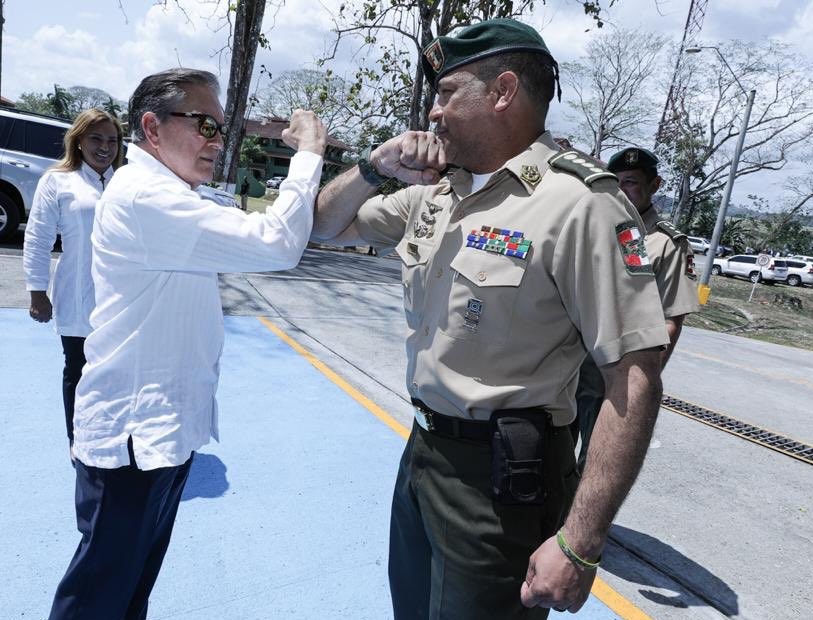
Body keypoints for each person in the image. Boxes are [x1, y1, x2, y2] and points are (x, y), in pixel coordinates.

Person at [311, 19, 669, 619]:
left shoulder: (581, 204)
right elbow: (322, 225)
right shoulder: (436, 192)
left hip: (505, 483)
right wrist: (376, 168)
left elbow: (633, 378)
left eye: (447, 92)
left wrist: (580, 542)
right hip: (424, 455)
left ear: (503, 92)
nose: (433, 112)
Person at [47, 68, 326, 620]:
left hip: (163, 432)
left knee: (129, 591)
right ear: (152, 126)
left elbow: (262, 227)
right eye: (203, 124)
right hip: (134, 435)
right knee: (98, 596)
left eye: (220, 128)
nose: (216, 141)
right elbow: (277, 243)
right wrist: (311, 152)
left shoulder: (176, 194)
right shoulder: (148, 197)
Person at [573, 147, 700, 471]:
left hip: (616, 371)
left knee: (597, 459)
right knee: (550, 453)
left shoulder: (666, 244)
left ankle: (575, 521)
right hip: (569, 364)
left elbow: (672, 320)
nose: (622, 190)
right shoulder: (593, 230)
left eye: (630, 182)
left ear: (654, 185)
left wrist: (641, 383)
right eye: (615, 183)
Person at [22, 108, 123, 450]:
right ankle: (77, 439)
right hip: (78, 296)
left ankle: (111, 436)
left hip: (124, 301)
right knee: (78, 371)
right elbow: (38, 237)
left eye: (112, 139)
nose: (104, 146)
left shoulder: (126, 182)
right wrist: (37, 291)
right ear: (78, 140)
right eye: (96, 138)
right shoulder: (58, 180)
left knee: (119, 374)